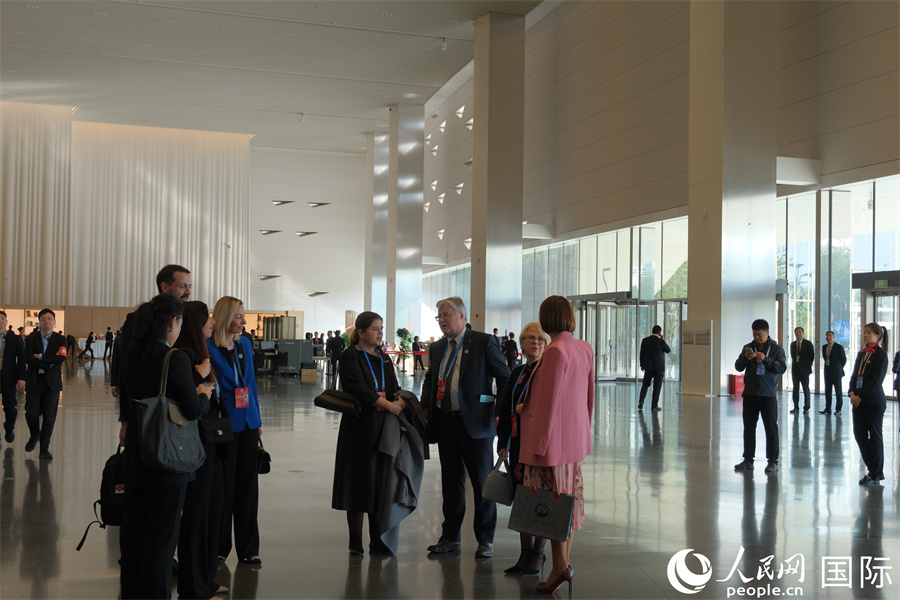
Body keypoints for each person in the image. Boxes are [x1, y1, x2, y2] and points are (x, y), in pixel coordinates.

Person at [117, 295, 213, 599]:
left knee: (135, 536)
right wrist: (204, 394)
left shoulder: (132, 355)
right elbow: (192, 409)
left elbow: (127, 404)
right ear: (173, 322)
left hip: (136, 455)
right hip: (167, 458)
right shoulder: (175, 358)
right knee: (162, 538)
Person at [422, 297, 509, 559]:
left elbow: (504, 377)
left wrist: (498, 412)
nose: (442, 320)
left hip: (476, 424)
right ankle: (450, 536)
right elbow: (431, 378)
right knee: (451, 483)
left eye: (446, 315)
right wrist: (426, 406)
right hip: (446, 422)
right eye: (439, 316)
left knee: (482, 484)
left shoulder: (483, 342)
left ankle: (485, 540)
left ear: (462, 316)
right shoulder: (437, 347)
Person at [519, 296, 594, 596]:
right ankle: (561, 566)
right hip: (573, 441)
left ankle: (561, 566)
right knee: (568, 504)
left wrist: (538, 444)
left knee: (552, 506)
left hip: (551, 445)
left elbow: (548, 403)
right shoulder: (583, 347)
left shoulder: (555, 351)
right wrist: (584, 432)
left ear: (547, 317)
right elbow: (589, 397)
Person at [332, 312, 407, 556]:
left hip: (384, 427)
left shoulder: (383, 357)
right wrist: (388, 405)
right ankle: (355, 543)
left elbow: (394, 387)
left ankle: (378, 540)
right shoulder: (350, 356)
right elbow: (358, 388)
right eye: (375, 329)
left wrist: (399, 401)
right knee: (357, 483)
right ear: (361, 332)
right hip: (360, 428)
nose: (380, 333)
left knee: (380, 484)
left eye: (381, 328)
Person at [175, 302, 229, 599]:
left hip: (211, 441)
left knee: (210, 511)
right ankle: (194, 585)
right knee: (196, 515)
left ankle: (205, 579)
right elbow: (188, 403)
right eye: (206, 317)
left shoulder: (200, 355)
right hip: (195, 444)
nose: (212, 322)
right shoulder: (185, 357)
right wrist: (200, 384)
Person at [207, 297, 263, 565]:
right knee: (224, 486)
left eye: (243, 316)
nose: (243, 321)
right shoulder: (208, 346)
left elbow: (251, 384)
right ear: (225, 317)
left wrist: (258, 420)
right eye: (239, 316)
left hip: (248, 420)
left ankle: (248, 548)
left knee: (248, 486)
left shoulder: (245, 344)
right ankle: (220, 547)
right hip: (224, 421)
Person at [496, 322, 550, 576]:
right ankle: (525, 552)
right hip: (518, 443)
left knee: (540, 498)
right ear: (521, 344)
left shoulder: (548, 372)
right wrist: (502, 442)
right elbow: (506, 407)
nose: (535, 342)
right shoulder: (517, 372)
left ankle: (538, 553)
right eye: (530, 338)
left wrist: (526, 409)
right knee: (521, 498)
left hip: (540, 446)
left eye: (540, 338)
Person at [111, 264, 193, 401]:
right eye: (182, 286)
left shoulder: (187, 318)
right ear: (165, 287)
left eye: (190, 286)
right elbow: (131, 366)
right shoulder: (140, 319)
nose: (188, 292)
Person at [734, 319, 786, 473]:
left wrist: (765, 359)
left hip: (768, 395)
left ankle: (772, 461)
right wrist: (745, 358)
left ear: (767, 333)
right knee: (749, 428)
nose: (757, 337)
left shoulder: (777, 349)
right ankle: (748, 459)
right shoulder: (748, 348)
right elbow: (738, 367)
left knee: (771, 428)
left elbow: (781, 368)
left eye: (760, 335)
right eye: (754, 334)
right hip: (750, 394)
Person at [23, 309, 67, 460]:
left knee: (49, 417)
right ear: (39, 322)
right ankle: (35, 434)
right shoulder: (31, 338)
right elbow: (28, 358)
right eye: (43, 319)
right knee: (31, 413)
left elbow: (60, 358)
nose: (46, 322)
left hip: (52, 384)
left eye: (49, 319)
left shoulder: (60, 339)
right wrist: (49, 362)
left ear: (54, 322)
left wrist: (40, 357)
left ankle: (44, 449)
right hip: (34, 381)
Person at [848, 322, 889, 486]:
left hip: (873, 403)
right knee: (859, 435)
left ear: (877, 336)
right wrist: (851, 393)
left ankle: (875, 473)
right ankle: (873, 469)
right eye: (864, 332)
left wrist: (860, 396)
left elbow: (876, 381)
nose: (865, 335)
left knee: (875, 436)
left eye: (868, 333)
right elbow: (854, 376)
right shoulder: (862, 353)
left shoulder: (881, 355)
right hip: (858, 402)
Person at [0, 310, 27, 445]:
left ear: (6, 321)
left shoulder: (15, 338)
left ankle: (9, 427)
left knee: (10, 408)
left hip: (9, 376)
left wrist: (22, 377)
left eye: (2, 318)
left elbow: (21, 359)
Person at [638, 325, 670, 411]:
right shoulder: (660, 342)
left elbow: (642, 353)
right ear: (659, 332)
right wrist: (663, 340)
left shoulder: (645, 340)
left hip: (648, 367)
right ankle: (654, 406)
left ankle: (641, 401)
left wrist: (642, 365)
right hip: (658, 368)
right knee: (657, 387)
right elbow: (668, 350)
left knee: (645, 385)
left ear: (652, 331)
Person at [820, 330, 847, 415]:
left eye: (830, 335)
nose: (828, 337)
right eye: (827, 335)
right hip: (827, 372)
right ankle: (828, 408)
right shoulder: (824, 347)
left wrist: (838, 368)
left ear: (834, 337)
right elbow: (825, 358)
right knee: (827, 391)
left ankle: (838, 409)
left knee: (838, 392)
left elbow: (843, 360)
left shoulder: (839, 347)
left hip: (836, 373)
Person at [789, 326, 815, 414]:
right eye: (796, 332)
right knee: (795, 388)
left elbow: (811, 356)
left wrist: (807, 365)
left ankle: (806, 407)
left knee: (805, 388)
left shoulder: (808, 343)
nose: (798, 334)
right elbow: (792, 356)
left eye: (800, 332)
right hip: (795, 370)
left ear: (803, 333)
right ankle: (795, 406)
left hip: (804, 370)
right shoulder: (793, 344)